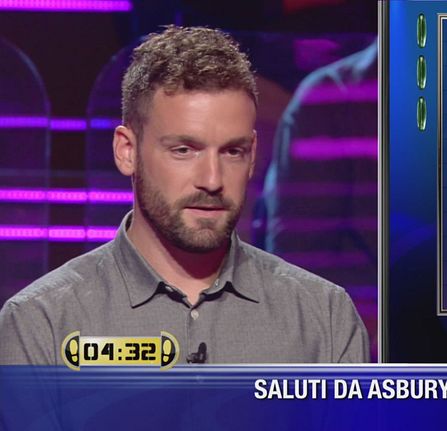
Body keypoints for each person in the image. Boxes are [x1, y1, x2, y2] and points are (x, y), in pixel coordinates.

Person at [0, 26, 369, 364]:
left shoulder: (324, 319)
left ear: (253, 155)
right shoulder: (42, 324)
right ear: (127, 151)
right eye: (184, 150)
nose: (212, 180)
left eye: (232, 151)